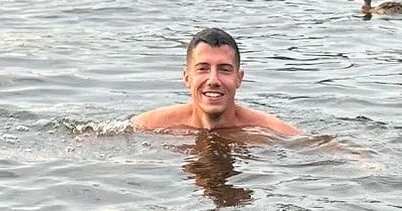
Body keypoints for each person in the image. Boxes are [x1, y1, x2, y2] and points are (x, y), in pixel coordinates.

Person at [129, 28, 302, 137]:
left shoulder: (271, 131)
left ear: (239, 78)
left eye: (224, 69)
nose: (213, 80)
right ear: (187, 77)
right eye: (203, 69)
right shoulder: (147, 125)